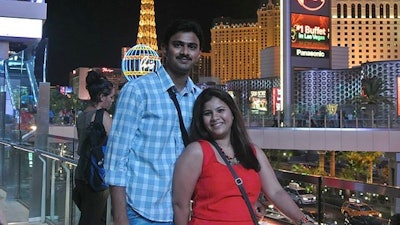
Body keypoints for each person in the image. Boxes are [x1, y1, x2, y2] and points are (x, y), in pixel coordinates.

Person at [104, 19, 203, 225]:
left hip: (183, 212)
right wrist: (120, 217)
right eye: (178, 45)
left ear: (199, 54)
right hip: (141, 209)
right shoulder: (138, 90)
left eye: (191, 47)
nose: (185, 52)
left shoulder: (200, 99)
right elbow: (116, 158)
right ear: (164, 49)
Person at [172, 88, 316, 225]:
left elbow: (276, 192)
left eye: (220, 110)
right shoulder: (196, 152)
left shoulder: (253, 152)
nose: (215, 117)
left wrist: (304, 220)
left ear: (232, 113)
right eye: (207, 113)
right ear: (201, 120)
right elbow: (180, 205)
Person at [73, 70, 115, 225]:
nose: (112, 100)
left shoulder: (82, 116)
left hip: (81, 173)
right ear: (101, 97)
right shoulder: (102, 116)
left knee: (90, 217)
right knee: (94, 219)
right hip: (96, 176)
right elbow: (115, 146)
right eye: (110, 97)